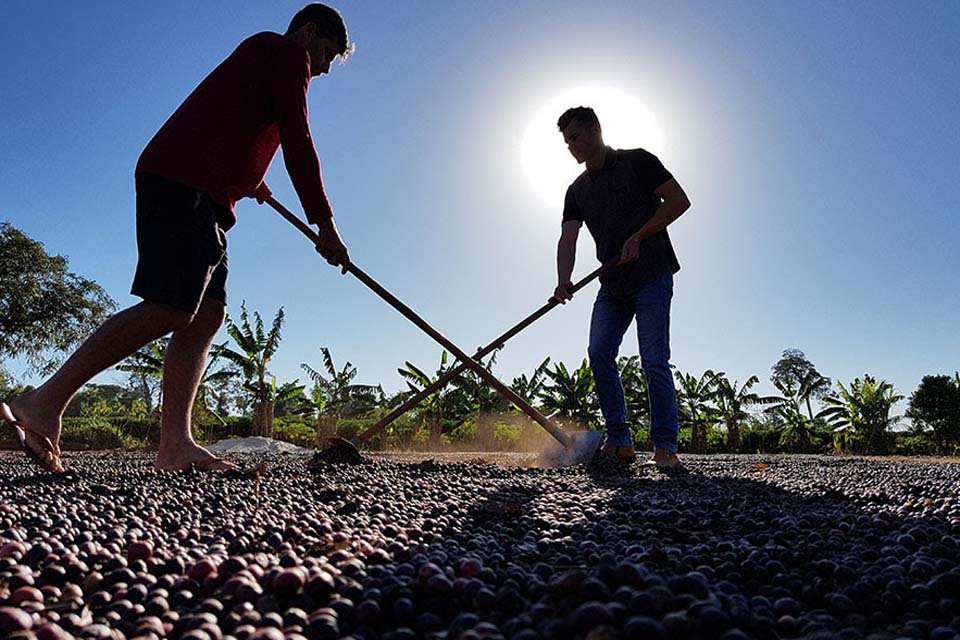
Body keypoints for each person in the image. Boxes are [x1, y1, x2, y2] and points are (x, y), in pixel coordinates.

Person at [0, 3, 353, 472]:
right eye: (326, 54)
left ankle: (175, 444)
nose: (324, 68)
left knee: (208, 315)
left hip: (204, 192)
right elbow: (297, 135)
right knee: (172, 305)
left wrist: (254, 180)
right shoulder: (285, 53)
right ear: (308, 32)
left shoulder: (265, 57)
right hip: (183, 183)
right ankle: (42, 403)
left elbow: (231, 122)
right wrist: (324, 223)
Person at [551, 106, 690, 468]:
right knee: (599, 353)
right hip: (612, 284)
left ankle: (664, 446)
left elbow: (679, 201)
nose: (572, 147)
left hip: (652, 274)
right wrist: (563, 280)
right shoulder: (576, 190)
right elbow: (568, 238)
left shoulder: (638, 161)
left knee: (654, 360)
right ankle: (621, 439)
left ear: (596, 129)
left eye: (577, 137)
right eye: (567, 142)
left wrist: (640, 236)